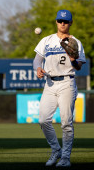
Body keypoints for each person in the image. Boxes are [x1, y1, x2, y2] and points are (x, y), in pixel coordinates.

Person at [33, 9, 86, 167]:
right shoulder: (46, 40)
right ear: (56, 22)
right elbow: (37, 60)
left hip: (66, 83)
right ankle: (56, 149)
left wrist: (73, 59)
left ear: (70, 23)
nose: (62, 24)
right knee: (43, 120)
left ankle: (65, 158)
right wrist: (37, 69)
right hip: (49, 84)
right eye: (59, 21)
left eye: (65, 21)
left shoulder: (75, 41)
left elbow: (79, 67)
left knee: (66, 123)